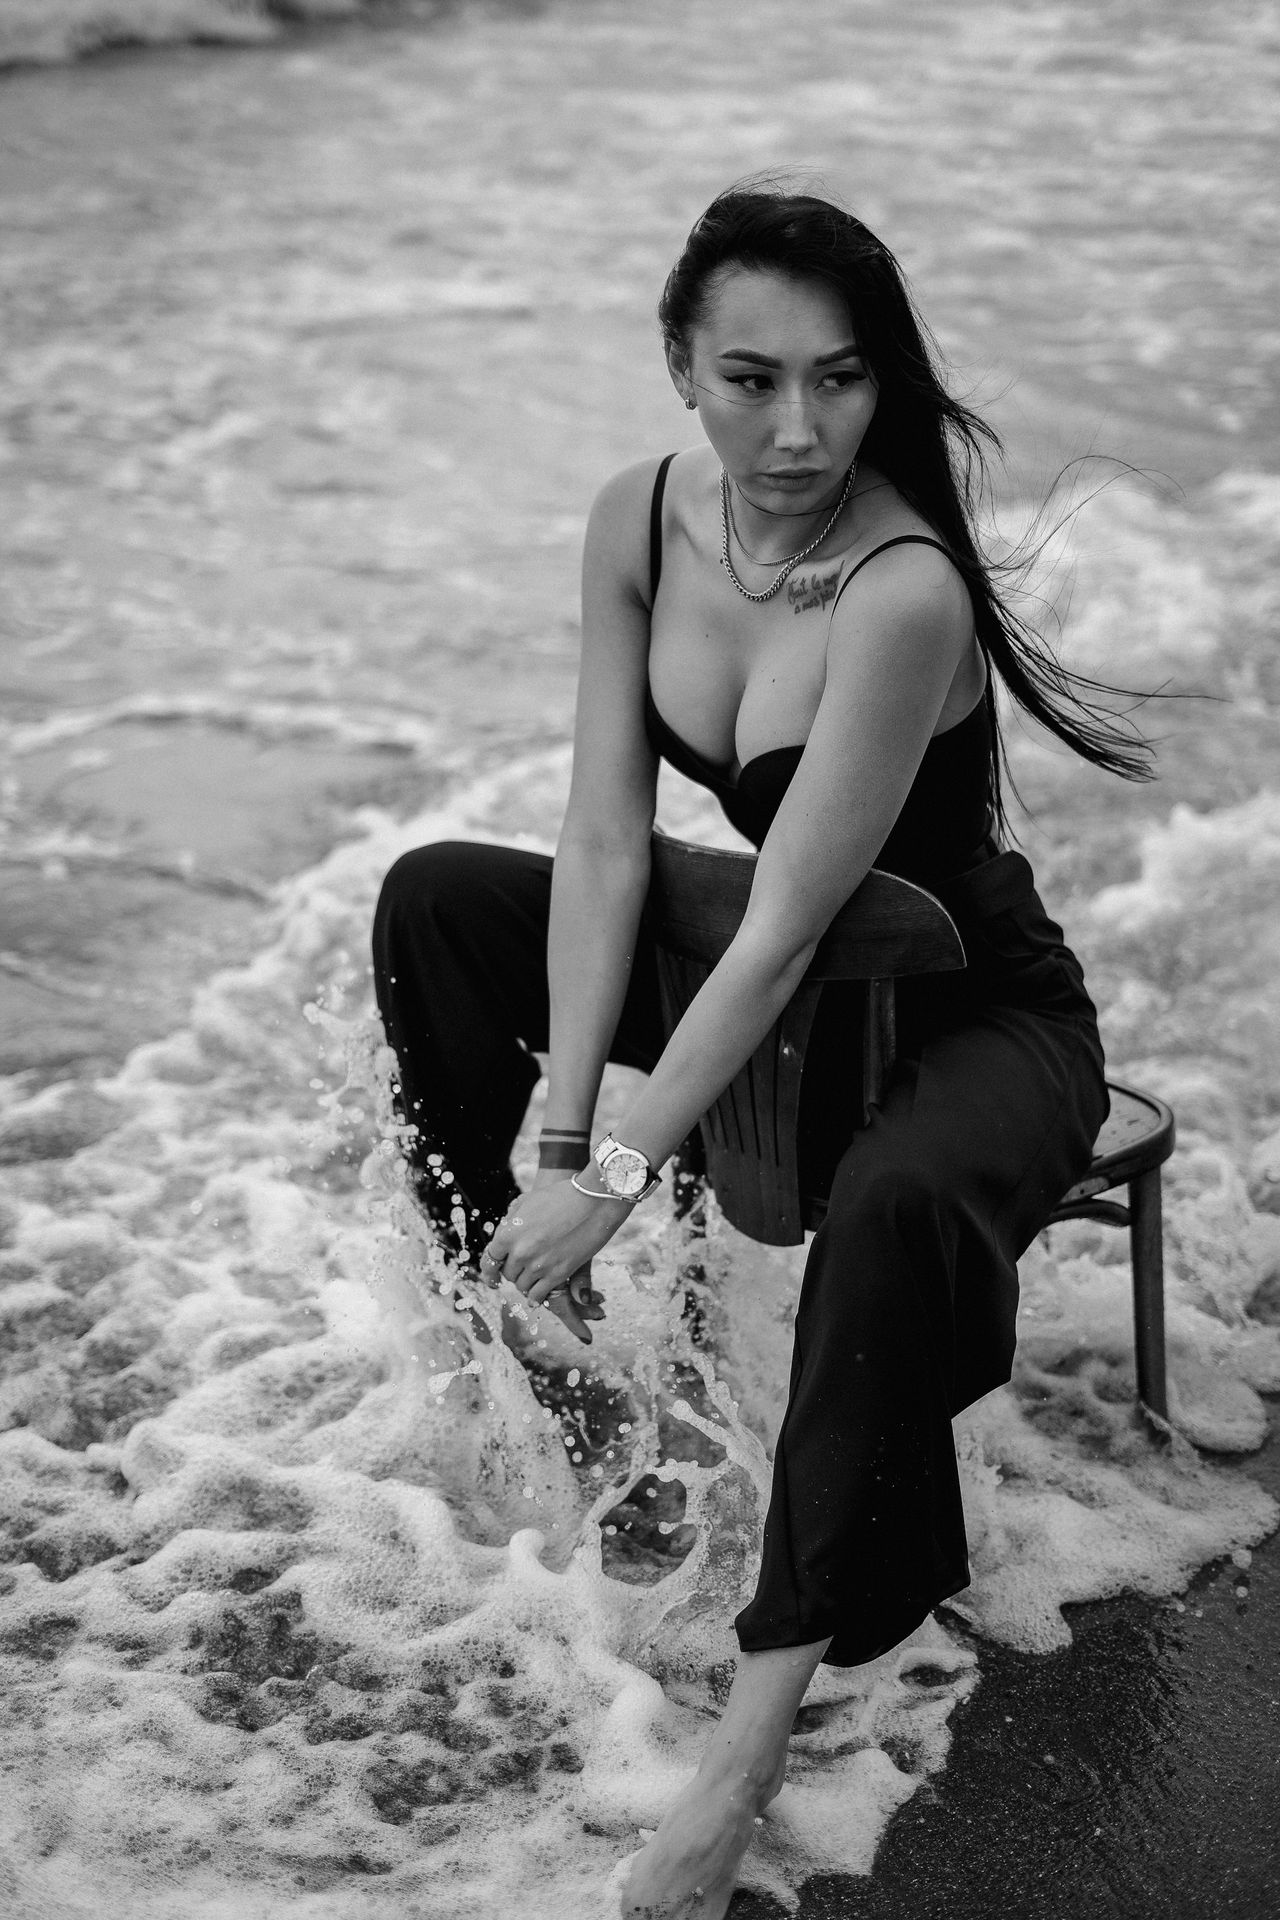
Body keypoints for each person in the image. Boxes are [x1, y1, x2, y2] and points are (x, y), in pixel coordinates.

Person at [372, 183, 1149, 1919]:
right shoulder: (641, 522)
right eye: (749, 380)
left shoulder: (902, 590)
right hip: (781, 973)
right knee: (438, 900)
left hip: (971, 1011)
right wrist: (567, 1153)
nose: (796, 428)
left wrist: (638, 1158)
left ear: (885, 386)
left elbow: (792, 922)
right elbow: (606, 843)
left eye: (843, 379)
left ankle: (751, 1732)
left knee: (883, 1210)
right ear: (680, 371)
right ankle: (562, 1375)